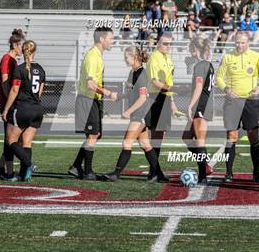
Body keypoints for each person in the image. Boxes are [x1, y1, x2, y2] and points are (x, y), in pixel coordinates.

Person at [103, 46, 167, 182]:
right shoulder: (133, 73)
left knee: (127, 142)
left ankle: (116, 174)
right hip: (138, 114)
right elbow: (133, 93)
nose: (125, 59)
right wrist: (120, 96)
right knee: (145, 144)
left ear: (135, 57)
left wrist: (128, 111)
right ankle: (159, 174)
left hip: (141, 114)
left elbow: (143, 98)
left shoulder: (141, 74)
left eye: (127, 57)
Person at [216, 32, 259, 183]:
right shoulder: (227, 57)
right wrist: (226, 89)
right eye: (237, 42)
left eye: (243, 42)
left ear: (248, 43)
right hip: (232, 103)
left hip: (251, 102)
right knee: (231, 137)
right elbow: (219, 77)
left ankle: (256, 172)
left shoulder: (256, 56)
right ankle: (228, 172)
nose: (240, 45)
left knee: (253, 137)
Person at [68, 26, 118, 180]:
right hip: (87, 100)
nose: (112, 41)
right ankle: (88, 171)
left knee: (96, 134)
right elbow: (90, 84)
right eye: (110, 38)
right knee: (93, 135)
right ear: (102, 39)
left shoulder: (97, 55)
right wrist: (108, 92)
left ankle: (76, 166)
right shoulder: (92, 56)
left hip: (93, 100)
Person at [1, 40, 46, 182]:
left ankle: (29, 164)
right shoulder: (41, 69)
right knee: (26, 142)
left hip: (22, 109)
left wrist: (6, 109)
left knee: (11, 140)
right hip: (37, 110)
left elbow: (14, 90)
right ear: (35, 51)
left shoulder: (19, 69)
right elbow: (39, 92)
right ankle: (23, 175)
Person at [0, 29, 24, 180]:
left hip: (11, 103)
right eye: (21, 45)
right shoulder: (6, 59)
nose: (23, 49)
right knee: (10, 139)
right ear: (16, 45)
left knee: (15, 138)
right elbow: (4, 84)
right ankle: (8, 172)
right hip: (7, 103)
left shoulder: (14, 60)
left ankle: (0, 165)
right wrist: (10, 104)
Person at [145, 33, 178, 181]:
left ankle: (154, 171)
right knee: (153, 135)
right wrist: (171, 90)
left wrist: (171, 101)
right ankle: (154, 172)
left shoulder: (168, 58)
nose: (168, 46)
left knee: (160, 135)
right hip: (155, 98)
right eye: (165, 43)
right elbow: (154, 82)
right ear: (158, 43)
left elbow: (169, 81)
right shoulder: (154, 57)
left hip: (164, 98)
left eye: (170, 44)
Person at [182, 37, 215, 184]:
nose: (189, 51)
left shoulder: (200, 65)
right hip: (204, 104)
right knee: (186, 137)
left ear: (195, 49)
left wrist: (190, 105)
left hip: (201, 105)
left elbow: (199, 87)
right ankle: (206, 165)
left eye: (190, 49)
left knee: (199, 140)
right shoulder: (207, 64)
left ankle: (203, 175)